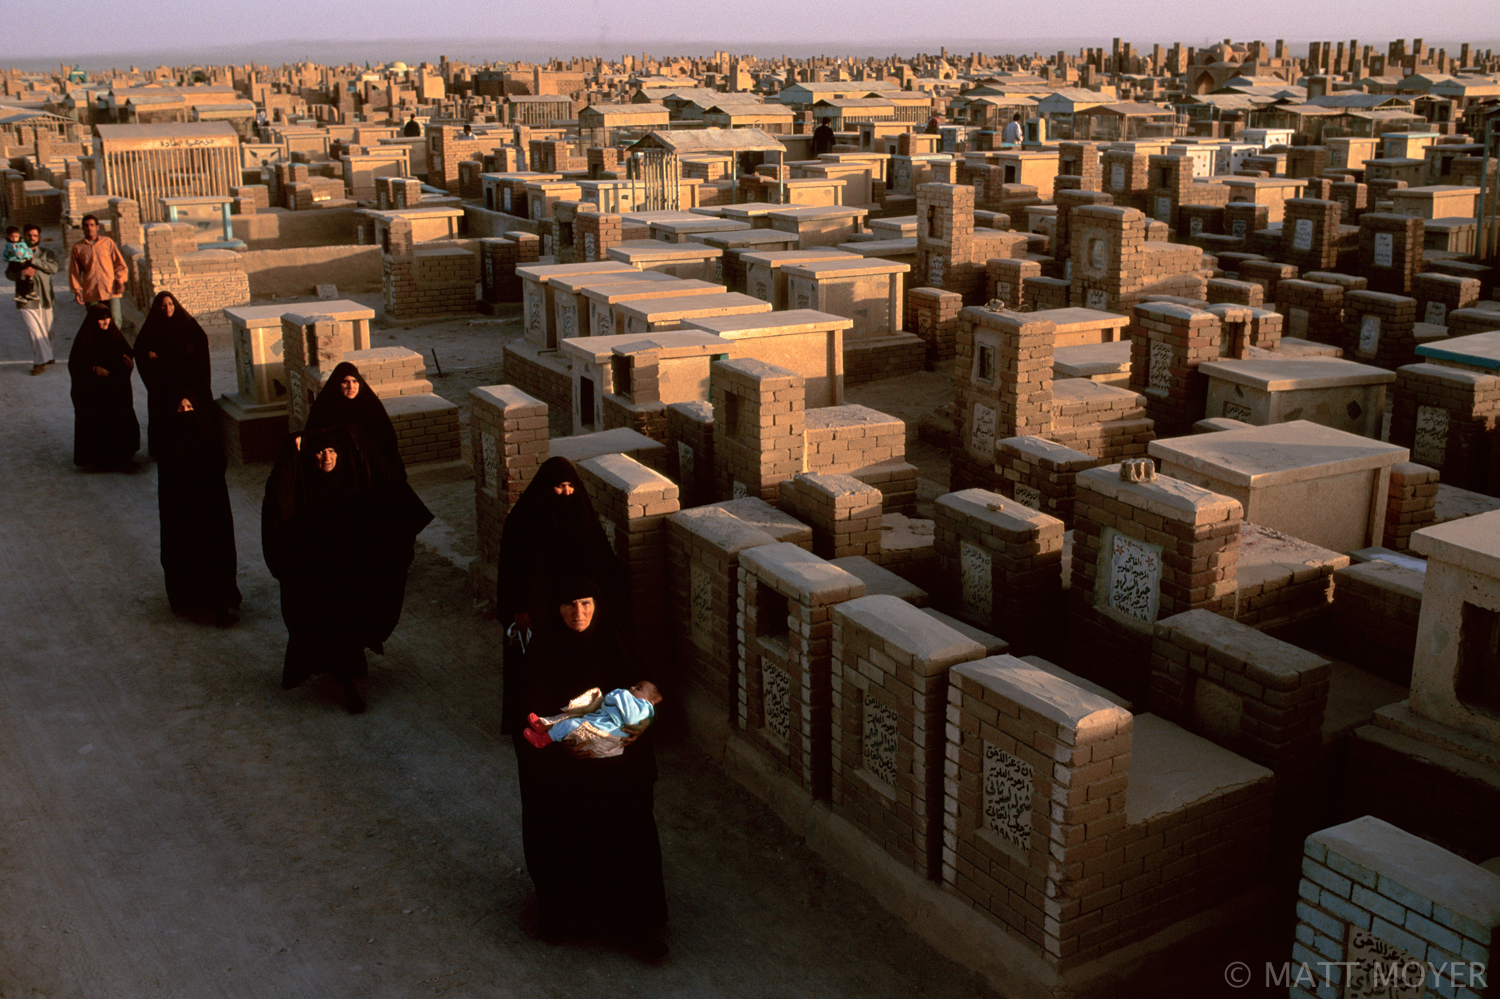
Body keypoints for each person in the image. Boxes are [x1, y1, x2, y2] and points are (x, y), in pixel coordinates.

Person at [511, 577, 668, 955]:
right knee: (568, 833)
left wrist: (636, 731)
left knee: (625, 834)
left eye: (585, 603)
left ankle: (632, 927)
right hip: (566, 773)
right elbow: (526, 717)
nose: (577, 613)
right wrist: (564, 747)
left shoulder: (616, 644)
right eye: (568, 605)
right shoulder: (543, 653)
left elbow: (654, 695)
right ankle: (571, 916)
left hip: (617, 769)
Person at [261, 424, 433, 713]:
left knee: (346, 630)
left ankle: (348, 683)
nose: (325, 458)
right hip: (319, 578)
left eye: (331, 451)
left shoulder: (353, 487)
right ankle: (339, 678)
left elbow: (382, 481)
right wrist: (294, 447)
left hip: (350, 578)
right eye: (318, 453)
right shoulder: (304, 490)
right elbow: (277, 496)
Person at [496, 456, 626, 734]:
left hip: (575, 607)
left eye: (570, 485)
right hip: (539, 605)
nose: (567, 492)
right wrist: (518, 607)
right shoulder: (523, 519)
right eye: (559, 486)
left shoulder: (581, 513)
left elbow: (599, 557)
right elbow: (512, 568)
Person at [155, 387, 242, 626]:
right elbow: (168, 484)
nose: (185, 413)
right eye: (180, 409)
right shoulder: (170, 443)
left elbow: (217, 468)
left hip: (210, 510)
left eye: (190, 408)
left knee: (214, 554)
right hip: (182, 514)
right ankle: (192, 600)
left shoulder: (208, 437)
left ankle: (220, 604)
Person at [134, 291, 211, 458]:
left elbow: (201, 339)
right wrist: (149, 356)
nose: (167, 308)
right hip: (164, 381)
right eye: (163, 305)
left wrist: (192, 350)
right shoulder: (152, 326)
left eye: (170, 304)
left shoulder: (186, 323)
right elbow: (140, 349)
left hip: (185, 378)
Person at [67, 306, 140, 471]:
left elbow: (124, 349)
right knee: (98, 423)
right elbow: (76, 363)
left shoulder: (113, 333)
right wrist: (93, 369)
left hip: (115, 390)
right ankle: (99, 460)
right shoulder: (85, 338)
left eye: (107, 318)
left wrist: (126, 357)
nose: (105, 321)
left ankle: (122, 458)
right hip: (95, 393)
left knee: (120, 420)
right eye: (101, 319)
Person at [303, 361, 403, 477]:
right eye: (345, 382)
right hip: (342, 470)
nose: (351, 387)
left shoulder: (371, 405)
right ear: (337, 383)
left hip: (369, 468)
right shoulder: (325, 407)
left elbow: (387, 439)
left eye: (354, 381)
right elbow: (314, 436)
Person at [523, 680, 662, 756]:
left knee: (572, 724)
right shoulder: (633, 703)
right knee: (571, 715)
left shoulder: (643, 707)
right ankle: (545, 725)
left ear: (649, 703)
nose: (631, 687)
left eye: (638, 688)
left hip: (607, 730)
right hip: (601, 720)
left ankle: (544, 739)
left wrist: (623, 694)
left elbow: (631, 718)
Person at [6, 223, 57, 375]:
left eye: (35, 235)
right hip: (25, 299)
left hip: (46, 297)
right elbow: (9, 274)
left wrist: (34, 260)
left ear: (39, 237)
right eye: (29, 235)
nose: (32, 238)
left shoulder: (47, 253)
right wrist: (22, 273)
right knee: (35, 331)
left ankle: (47, 356)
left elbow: (53, 268)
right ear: (24, 237)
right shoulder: (16, 253)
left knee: (48, 330)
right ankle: (39, 362)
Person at [68, 214, 129, 331]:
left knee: (115, 319)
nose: (89, 228)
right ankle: (101, 348)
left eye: (92, 225)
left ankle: (115, 346)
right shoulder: (78, 247)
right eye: (86, 225)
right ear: (82, 228)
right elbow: (74, 271)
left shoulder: (107, 242)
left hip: (110, 289)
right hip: (91, 291)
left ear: (97, 227)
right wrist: (76, 290)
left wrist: (120, 280)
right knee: (95, 322)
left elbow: (120, 264)